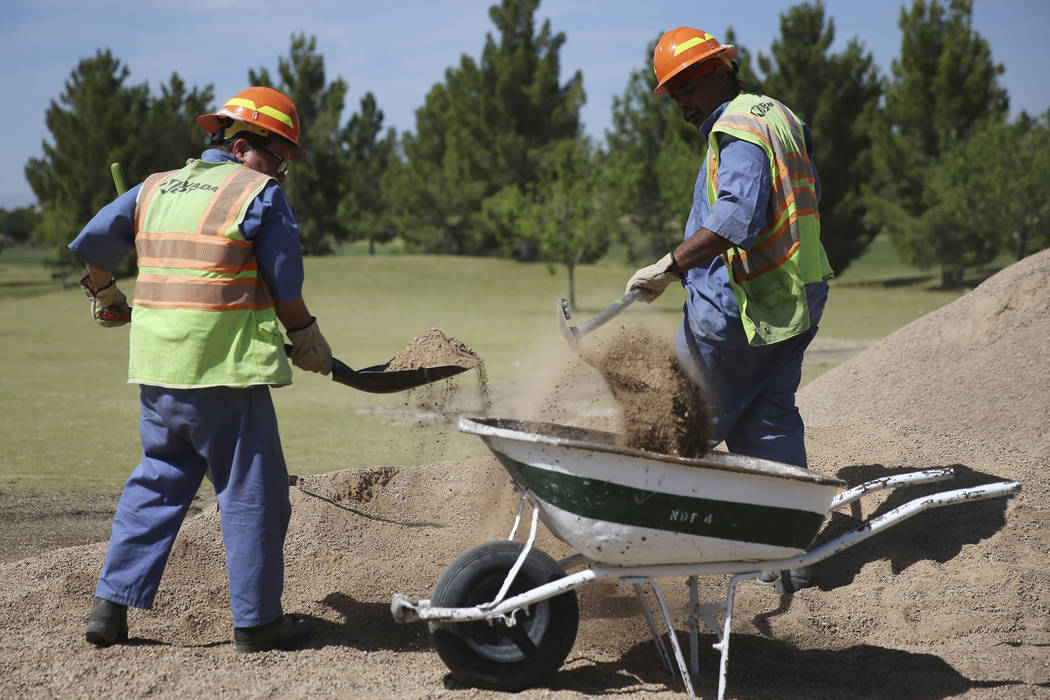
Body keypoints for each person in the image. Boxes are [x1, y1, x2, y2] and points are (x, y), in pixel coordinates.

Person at [70, 86, 333, 652]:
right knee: (253, 492)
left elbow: (93, 243)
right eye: (280, 157)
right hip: (223, 372)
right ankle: (259, 624)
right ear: (242, 147)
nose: (283, 173)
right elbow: (286, 285)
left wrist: (106, 292)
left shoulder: (155, 186)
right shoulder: (257, 192)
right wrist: (306, 337)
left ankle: (109, 611)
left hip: (160, 371)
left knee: (159, 482)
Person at [625, 28, 833, 593]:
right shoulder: (778, 115)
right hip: (794, 301)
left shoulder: (736, 128)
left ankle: (637, 553)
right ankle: (787, 561)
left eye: (689, 87)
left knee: (673, 423)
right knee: (768, 427)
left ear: (722, 70)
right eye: (675, 95)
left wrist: (670, 265)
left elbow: (736, 218)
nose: (684, 104)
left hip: (739, 313)